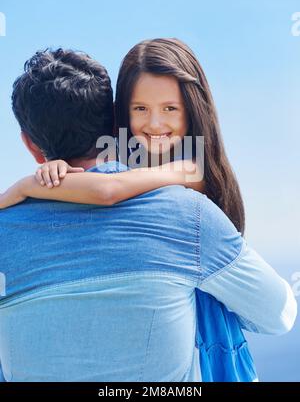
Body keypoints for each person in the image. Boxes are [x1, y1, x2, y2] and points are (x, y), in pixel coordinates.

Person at [0, 45, 297, 382]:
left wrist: (27, 188)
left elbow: (107, 191)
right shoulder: (187, 215)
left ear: (29, 145)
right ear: (116, 123)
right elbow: (279, 314)